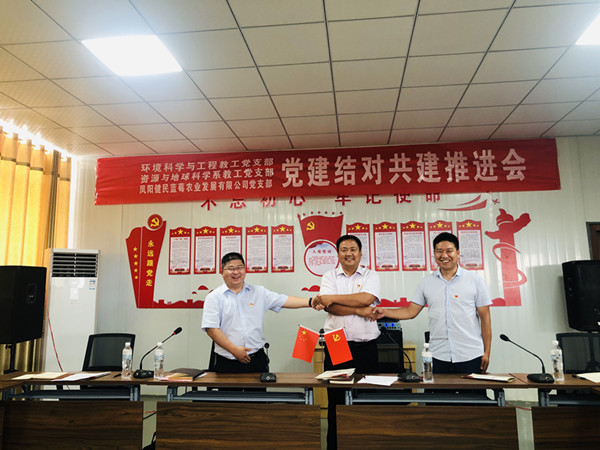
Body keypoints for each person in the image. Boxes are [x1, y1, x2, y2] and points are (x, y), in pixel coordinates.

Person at [376, 232, 492, 375]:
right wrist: (384, 312)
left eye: (449, 251)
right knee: (437, 390)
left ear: (458, 253)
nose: (444, 255)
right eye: (439, 251)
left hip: (470, 354)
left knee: (473, 391)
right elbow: (410, 311)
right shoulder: (426, 282)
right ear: (434, 254)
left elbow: (485, 317)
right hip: (438, 355)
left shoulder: (475, 280)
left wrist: (486, 352)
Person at [312, 235, 380, 450]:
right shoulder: (329, 276)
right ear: (338, 253)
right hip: (337, 343)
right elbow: (329, 306)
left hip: (366, 344)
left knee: (366, 399)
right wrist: (359, 310)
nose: (348, 253)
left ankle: (365, 445)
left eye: (353, 249)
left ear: (360, 253)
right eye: (344, 250)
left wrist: (335, 298)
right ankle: (335, 446)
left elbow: (367, 298)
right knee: (336, 400)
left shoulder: (371, 275)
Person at [202, 252, 314, 373]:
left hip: (256, 360)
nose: (236, 272)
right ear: (222, 272)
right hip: (227, 361)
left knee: (260, 386)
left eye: (239, 267)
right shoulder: (214, 297)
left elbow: (284, 300)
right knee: (228, 387)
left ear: (245, 270)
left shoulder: (258, 292)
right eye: (231, 268)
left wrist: (311, 302)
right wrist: (234, 350)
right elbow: (212, 329)